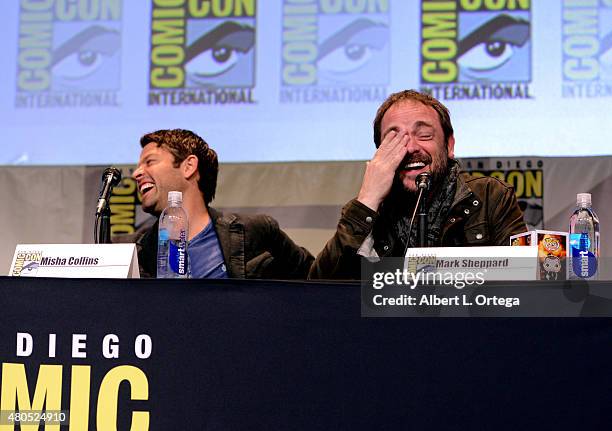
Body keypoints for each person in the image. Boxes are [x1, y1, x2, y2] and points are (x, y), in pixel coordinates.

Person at [309, 90, 527, 279]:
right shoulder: (364, 211)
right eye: (394, 139)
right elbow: (320, 291)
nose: (411, 147)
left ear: (449, 145)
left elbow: (523, 276)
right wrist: (367, 200)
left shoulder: (490, 197)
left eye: (424, 135)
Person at [119, 128, 313, 279]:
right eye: (138, 166)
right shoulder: (134, 250)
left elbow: (315, 278)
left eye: (150, 162)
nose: (136, 173)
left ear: (189, 166)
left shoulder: (254, 232)